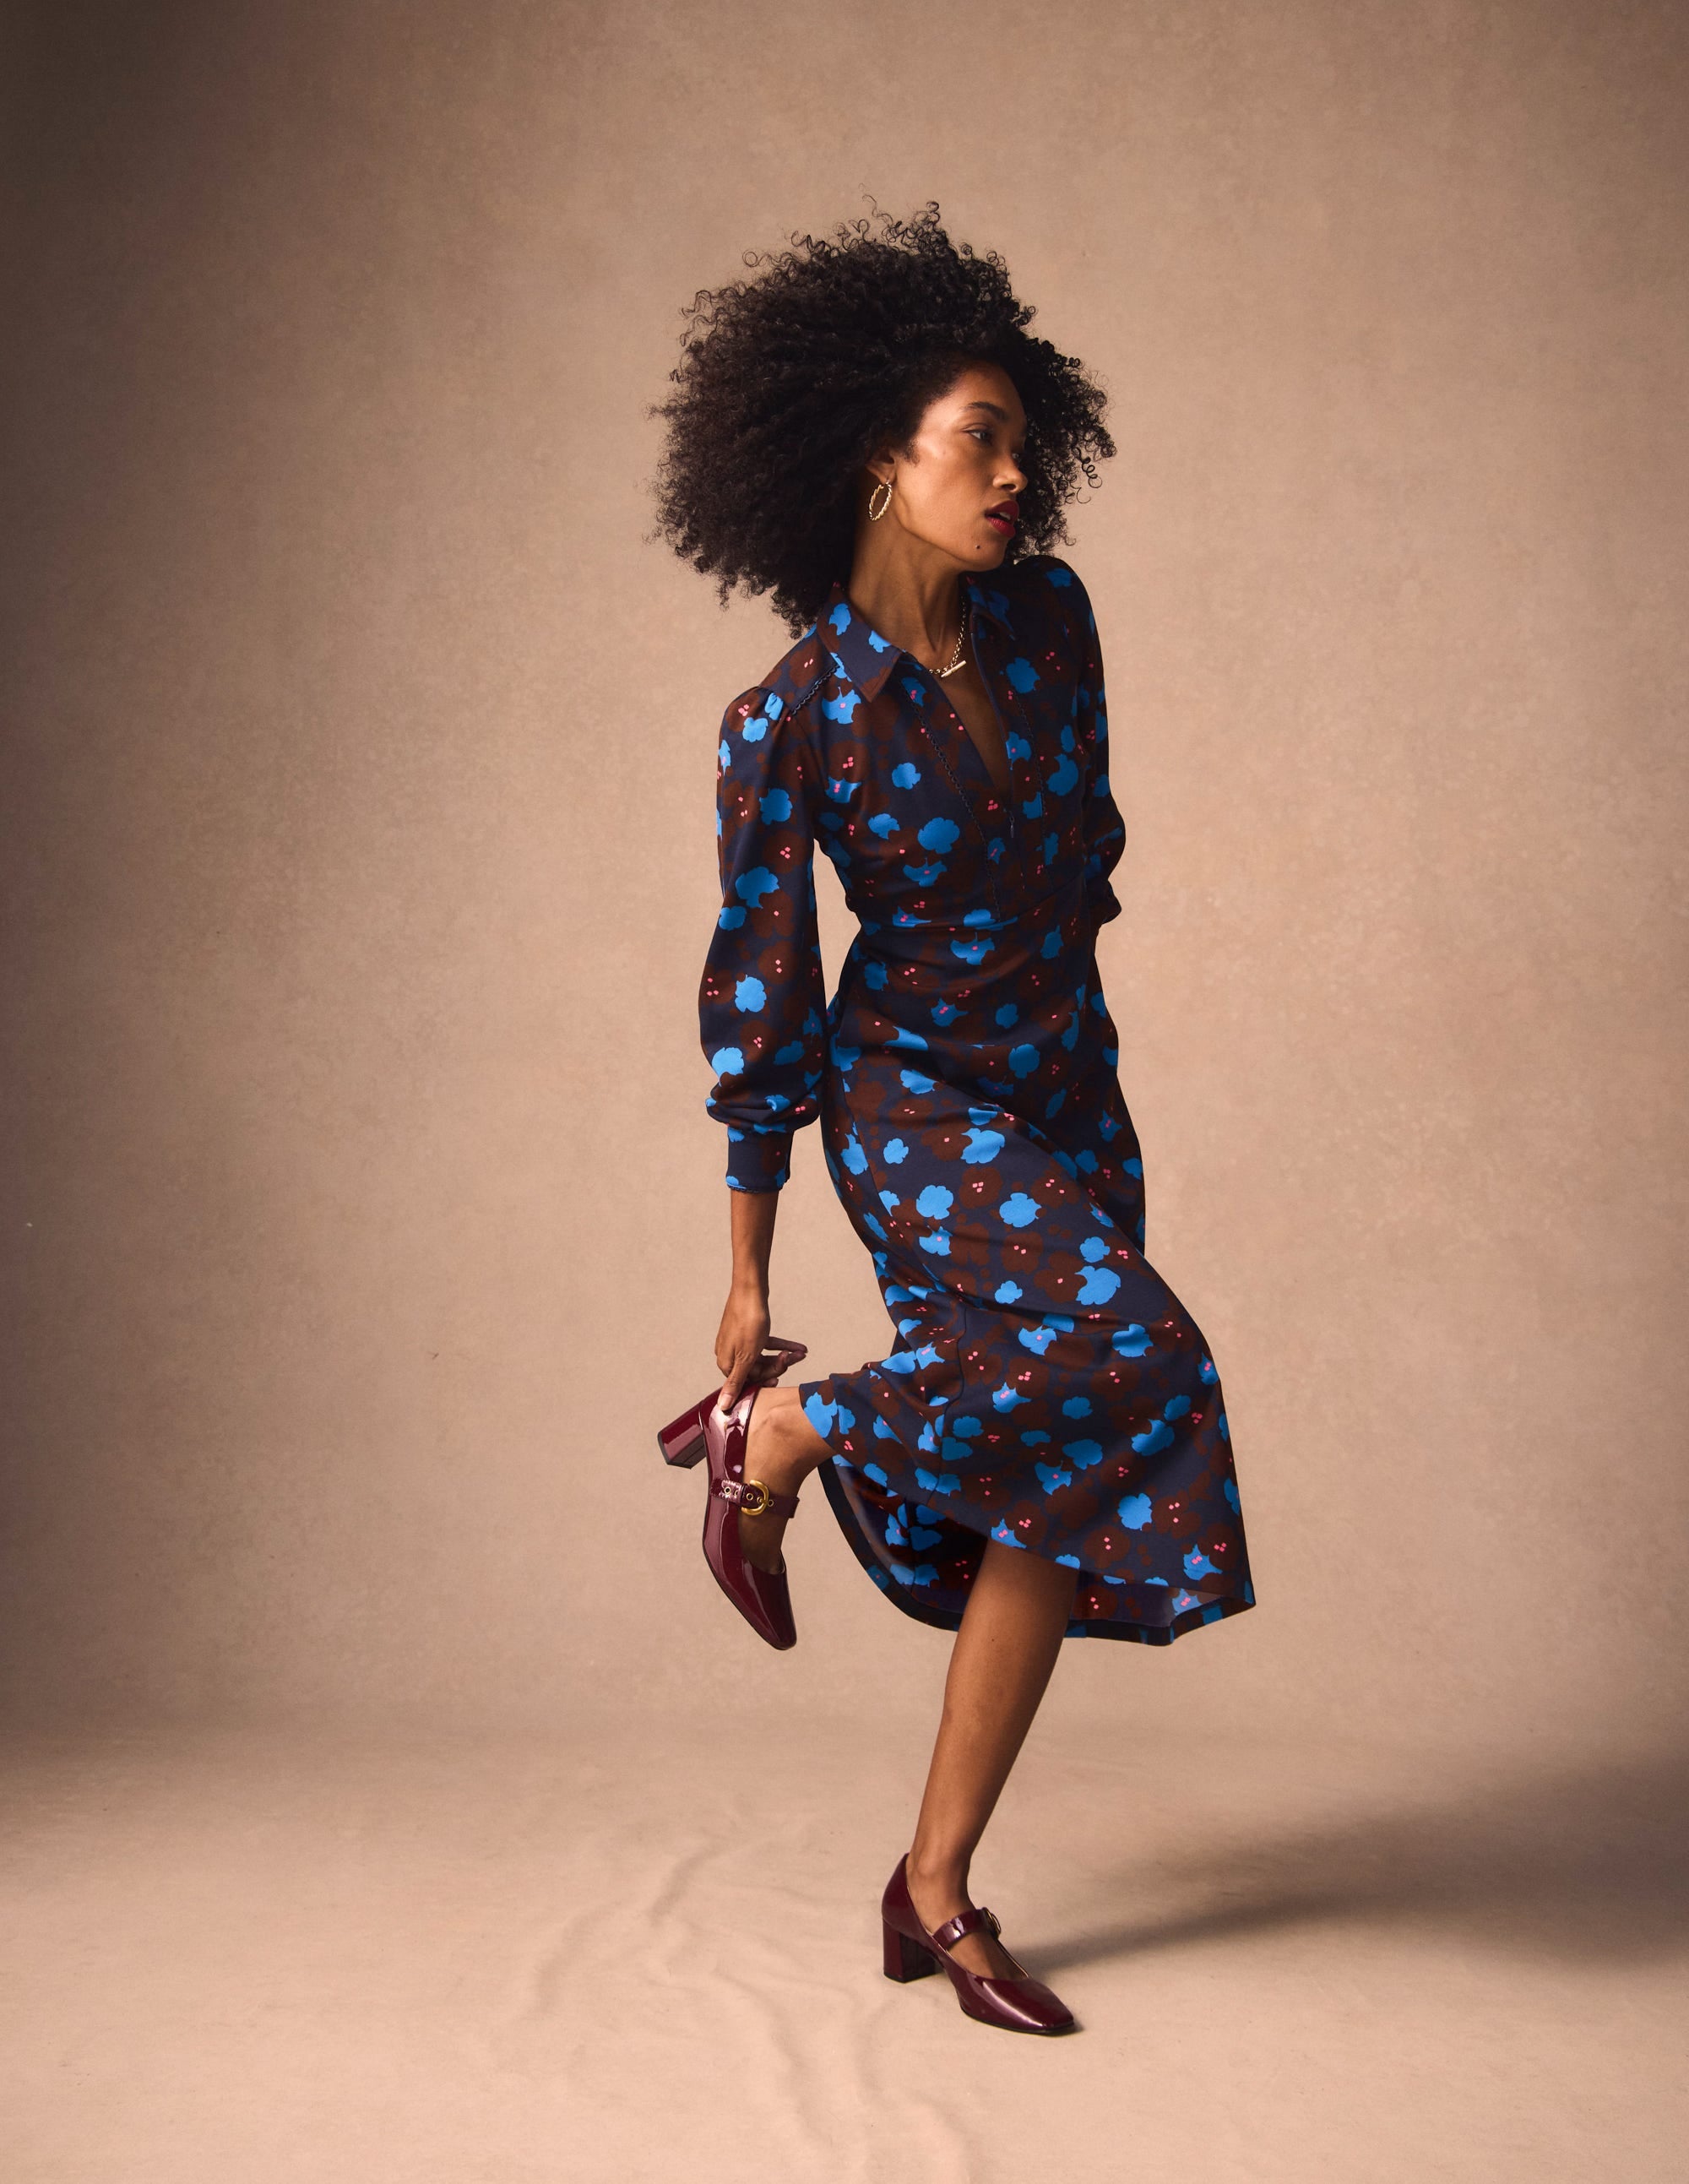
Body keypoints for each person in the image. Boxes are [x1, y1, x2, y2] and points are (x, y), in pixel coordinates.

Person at [651, 204, 1257, 2036]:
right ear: (873, 463)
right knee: (1141, 1357)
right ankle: (790, 1426)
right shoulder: (792, 719)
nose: (1008, 476)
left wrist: (1061, 1039)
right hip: (912, 1100)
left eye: (1017, 438)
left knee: (1053, 1481)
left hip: (1070, 1082)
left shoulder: (1053, 618)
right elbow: (761, 990)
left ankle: (934, 1895)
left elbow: (1082, 867)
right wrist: (750, 1273)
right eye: (971, 441)